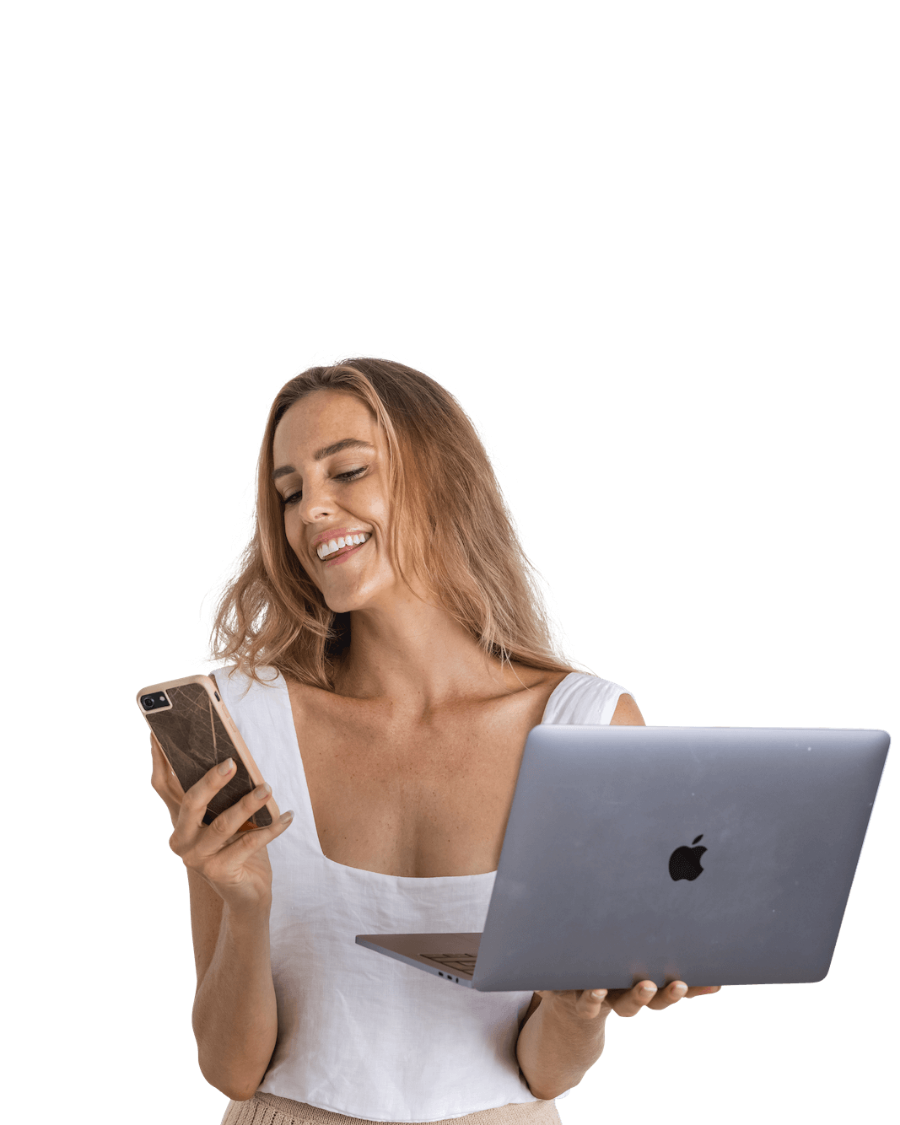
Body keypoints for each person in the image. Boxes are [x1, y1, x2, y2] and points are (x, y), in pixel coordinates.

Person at [150, 356, 720, 1125]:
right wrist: (243, 906)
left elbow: (541, 1071)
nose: (311, 509)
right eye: (289, 492)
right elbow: (232, 1068)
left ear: (442, 479)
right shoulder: (241, 724)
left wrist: (577, 1003)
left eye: (347, 471)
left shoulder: (588, 728)